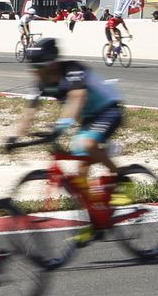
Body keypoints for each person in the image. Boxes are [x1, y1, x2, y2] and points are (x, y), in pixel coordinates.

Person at [8, 37, 127, 201]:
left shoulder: (73, 70)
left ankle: (122, 178)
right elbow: (29, 111)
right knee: (81, 170)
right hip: (89, 119)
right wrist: (14, 137)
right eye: (32, 67)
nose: (34, 71)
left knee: (87, 145)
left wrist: (59, 127)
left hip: (108, 110)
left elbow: (76, 98)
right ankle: (95, 216)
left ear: (52, 64)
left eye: (38, 67)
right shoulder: (40, 83)